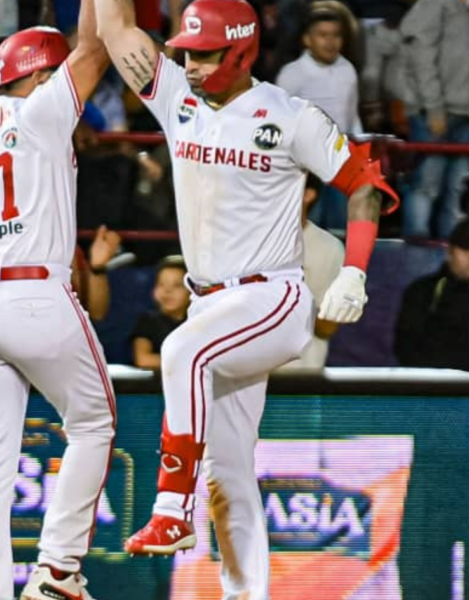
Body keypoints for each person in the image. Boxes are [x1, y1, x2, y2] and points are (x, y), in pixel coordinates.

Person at [94, 2, 397, 598]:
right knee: (228, 474)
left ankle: (170, 508)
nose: (192, 62)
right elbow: (115, 30)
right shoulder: (175, 93)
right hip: (212, 304)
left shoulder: (288, 115)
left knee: (180, 350)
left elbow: (365, 183)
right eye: (186, 51)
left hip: (274, 298)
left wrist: (355, 271)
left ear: (239, 51)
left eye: (205, 52)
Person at [0, 0, 113, 597]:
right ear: (39, 77)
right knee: (93, 422)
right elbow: (95, 49)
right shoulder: (40, 114)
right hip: (30, 291)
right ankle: (58, 571)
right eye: (54, 74)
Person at [399, 0, 469, 239]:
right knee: (427, 185)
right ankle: (415, 252)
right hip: (433, 114)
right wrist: (434, 108)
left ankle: (451, 253)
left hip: (466, 114)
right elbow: (421, 58)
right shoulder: (433, 3)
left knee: (456, 189)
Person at [394, 219, 469, 399]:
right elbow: (405, 346)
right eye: (467, 249)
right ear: (450, 252)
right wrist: (431, 391)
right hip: (437, 403)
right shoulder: (425, 291)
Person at [275, 0, 363, 230]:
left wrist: (359, 153)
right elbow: (279, 121)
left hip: (339, 162)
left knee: (339, 228)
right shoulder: (292, 74)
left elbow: (351, 116)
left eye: (336, 35)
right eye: (323, 35)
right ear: (307, 39)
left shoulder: (348, 70)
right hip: (303, 166)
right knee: (306, 227)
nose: (330, 41)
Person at [279, 175, 344, 371]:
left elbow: (327, 327)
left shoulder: (330, 248)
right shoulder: (249, 242)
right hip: (249, 377)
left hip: (302, 376)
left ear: (308, 195)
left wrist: (289, 292)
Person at [131, 255, 188, 369]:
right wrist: (188, 362)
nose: (167, 291)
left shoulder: (198, 322)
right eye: (161, 284)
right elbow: (143, 359)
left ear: (191, 291)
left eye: (177, 285)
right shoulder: (147, 321)